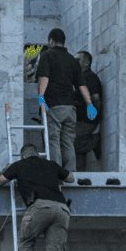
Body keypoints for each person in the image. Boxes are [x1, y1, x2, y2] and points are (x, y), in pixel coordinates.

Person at [35, 28, 97, 171]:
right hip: (70, 109)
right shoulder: (72, 60)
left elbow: (44, 78)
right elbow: (81, 85)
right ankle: (70, 172)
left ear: (51, 41)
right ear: (63, 42)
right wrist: (89, 104)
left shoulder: (47, 55)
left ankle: (56, 172)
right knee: (68, 142)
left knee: (53, 140)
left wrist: (41, 98)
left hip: (54, 106)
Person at [73, 50, 103, 171]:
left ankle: (93, 142)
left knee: (69, 141)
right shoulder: (80, 78)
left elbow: (96, 99)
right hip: (80, 120)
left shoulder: (89, 77)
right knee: (76, 147)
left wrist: (94, 118)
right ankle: (80, 174)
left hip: (86, 121)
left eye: (78, 60)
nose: (75, 62)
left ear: (87, 62)